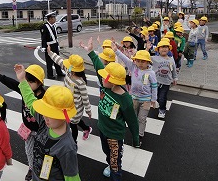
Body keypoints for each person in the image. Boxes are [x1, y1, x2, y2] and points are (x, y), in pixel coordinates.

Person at [81, 37, 139, 180]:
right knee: (106, 152)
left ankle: (115, 174)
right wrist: (91, 53)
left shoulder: (125, 99)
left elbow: (132, 121)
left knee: (115, 162)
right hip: (103, 129)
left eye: (104, 77)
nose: (101, 78)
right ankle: (110, 164)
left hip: (115, 135)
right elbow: (99, 67)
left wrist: (136, 139)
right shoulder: (107, 86)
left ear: (112, 81)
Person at [14, 64, 81, 181]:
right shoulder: (45, 121)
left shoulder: (67, 147)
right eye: (45, 111)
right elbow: (30, 100)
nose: (45, 116)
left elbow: (72, 177)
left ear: (64, 116)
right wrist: (22, 80)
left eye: (51, 114)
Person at [0, 65, 45, 181]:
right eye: (26, 81)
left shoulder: (44, 96)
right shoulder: (24, 89)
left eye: (31, 82)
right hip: (28, 129)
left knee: (41, 152)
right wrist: (0, 76)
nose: (27, 84)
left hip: (40, 131)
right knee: (29, 151)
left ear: (39, 83)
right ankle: (32, 167)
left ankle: (39, 168)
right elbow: (13, 83)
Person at [111, 43, 157, 146]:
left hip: (146, 100)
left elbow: (154, 87)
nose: (140, 63)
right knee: (134, 117)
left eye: (143, 61)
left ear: (148, 62)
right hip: (134, 98)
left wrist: (153, 100)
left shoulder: (151, 73)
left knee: (142, 118)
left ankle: (140, 135)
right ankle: (135, 130)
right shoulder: (133, 67)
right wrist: (116, 51)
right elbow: (125, 59)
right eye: (138, 61)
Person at [46, 46, 92, 143]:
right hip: (67, 104)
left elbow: (85, 98)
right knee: (74, 121)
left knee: (73, 124)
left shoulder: (80, 82)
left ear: (75, 70)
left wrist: (88, 110)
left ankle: (73, 143)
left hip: (76, 108)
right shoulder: (69, 71)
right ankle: (87, 128)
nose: (67, 66)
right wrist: (50, 53)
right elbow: (60, 61)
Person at [149, 40, 178, 119]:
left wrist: (175, 78)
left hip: (166, 82)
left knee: (162, 97)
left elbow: (173, 70)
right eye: (161, 47)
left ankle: (162, 110)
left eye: (166, 47)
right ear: (158, 49)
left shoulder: (171, 60)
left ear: (169, 49)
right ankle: (157, 103)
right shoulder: (154, 58)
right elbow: (145, 57)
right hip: (155, 82)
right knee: (156, 96)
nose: (164, 49)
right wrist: (147, 49)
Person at [40, 11, 65, 79]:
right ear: (50, 19)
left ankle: (59, 72)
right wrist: (43, 47)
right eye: (54, 17)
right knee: (49, 62)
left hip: (55, 45)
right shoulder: (44, 26)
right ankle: (50, 75)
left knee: (57, 59)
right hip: (49, 47)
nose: (55, 19)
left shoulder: (54, 25)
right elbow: (43, 38)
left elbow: (55, 37)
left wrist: (58, 45)